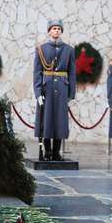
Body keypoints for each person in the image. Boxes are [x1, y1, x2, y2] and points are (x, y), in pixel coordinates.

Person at [33, 19, 76, 161]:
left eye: (59, 28)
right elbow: (37, 73)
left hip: (62, 89)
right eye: (54, 28)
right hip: (47, 89)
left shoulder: (69, 50)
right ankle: (47, 151)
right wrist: (38, 93)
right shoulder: (41, 49)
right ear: (49, 31)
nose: (56, 30)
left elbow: (72, 72)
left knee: (60, 121)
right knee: (46, 120)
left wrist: (71, 93)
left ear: (61, 31)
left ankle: (56, 152)